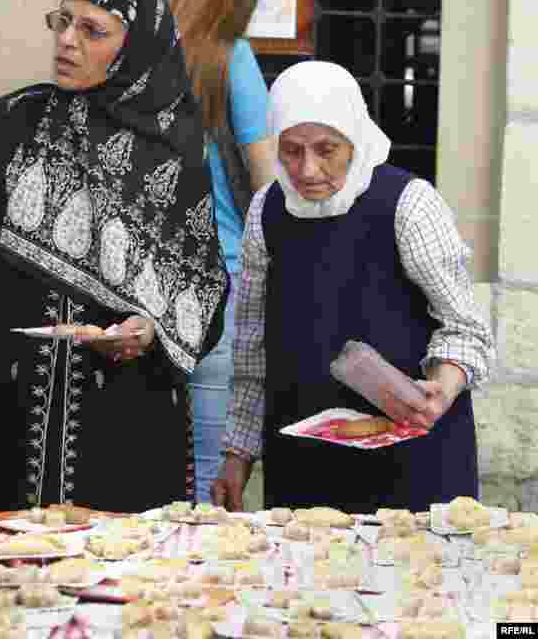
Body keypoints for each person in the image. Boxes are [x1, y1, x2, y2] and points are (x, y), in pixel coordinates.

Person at [0, 0, 230, 514]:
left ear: (136, 45)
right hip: (17, 415)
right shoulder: (14, 123)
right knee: (11, 581)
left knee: (122, 586)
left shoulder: (173, 150)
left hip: (126, 420)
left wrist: (148, 332)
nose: (67, 41)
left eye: (93, 31)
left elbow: (199, 296)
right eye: (64, 21)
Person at [211, 60, 495, 513]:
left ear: (354, 140)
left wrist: (440, 388)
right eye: (291, 150)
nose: (307, 169)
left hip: (413, 463)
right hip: (305, 465)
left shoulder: (408, 205)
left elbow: (467, 328)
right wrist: (236, 456)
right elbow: (252, 353)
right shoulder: (267, 212)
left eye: (327, 150)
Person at [161, 0, 275, 503]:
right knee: (212, 470)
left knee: (146, 464)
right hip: (221, 284)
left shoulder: (137, 60)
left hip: (143, 291)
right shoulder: (234, 59)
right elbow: (268, 183)